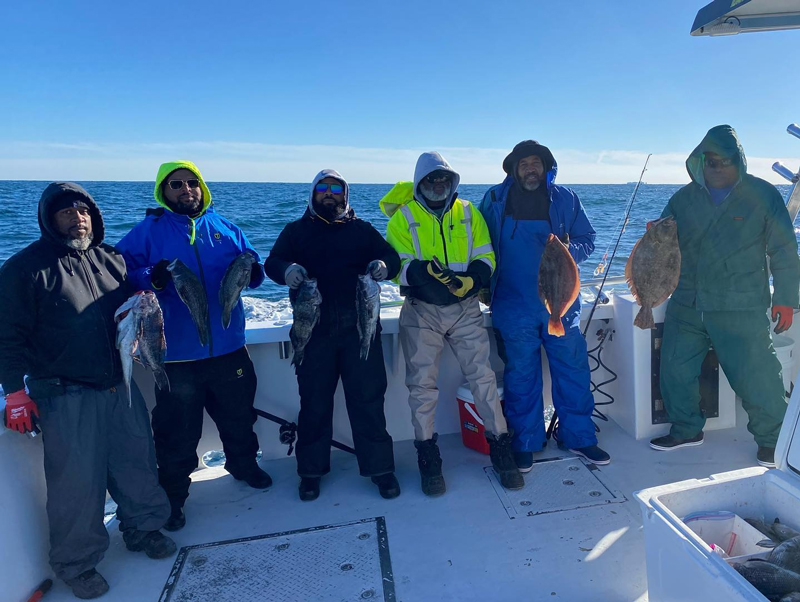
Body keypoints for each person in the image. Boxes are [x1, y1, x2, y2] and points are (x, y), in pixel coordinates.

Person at [0, 182, 175, 600]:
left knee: (137, 461)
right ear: (48, 219)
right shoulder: (25, 269)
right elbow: (7, 335)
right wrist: (13, 392)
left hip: (120, 383)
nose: (77, 217)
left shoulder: (111, 258)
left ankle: (144, 529)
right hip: (64, 392)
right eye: (65, 212)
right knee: (75, 483)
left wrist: (152, 285)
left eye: (83, 211)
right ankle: (77, 563)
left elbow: (136, 301)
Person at [116, 161, 269, 532]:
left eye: (192, 183)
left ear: (202, 187)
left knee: (239, 416)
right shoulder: (147, 232)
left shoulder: (226, 228)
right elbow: (117, 270)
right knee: (176, 430)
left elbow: (255, 270)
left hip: (230, 348)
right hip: (177, 355)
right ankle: (174, 495)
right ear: (162, 192)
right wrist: (147, 277)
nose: (186, 190)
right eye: (176, 185)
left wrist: (254, 270)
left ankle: (243, 464)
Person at [649, 125, 800, 467]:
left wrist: (787, 298)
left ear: (739, 162)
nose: (717, 167)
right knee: (674, 369)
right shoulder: (683, 199)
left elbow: (784, 250)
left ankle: (774, 439)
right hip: (687, 302)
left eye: (725, 160)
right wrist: (652, 236)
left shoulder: (763, 196)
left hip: (740, 304)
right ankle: (687, 428)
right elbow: (661, 244)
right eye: (710, 160)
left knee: (757, 374)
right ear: (699, 161)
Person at [381, 151, 523, 496]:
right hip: (421, 309)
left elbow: (485, 254)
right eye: (431, 180)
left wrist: (472, 280)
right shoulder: (403, 217)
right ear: (419, 183)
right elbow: (393, 263)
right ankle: (428, 457)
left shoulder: (469, 212)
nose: (438, 185)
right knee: (421, 387)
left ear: (452, 182)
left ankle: (501, 449)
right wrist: (418, 271)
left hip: (465, 308)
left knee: (484, 378)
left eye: (443, 179)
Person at [264, 169, 401, 502]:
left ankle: (380, 470)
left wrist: (384, 266)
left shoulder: (362, 230)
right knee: (314, 404)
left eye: (336, 189)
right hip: (314, 334)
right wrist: (287, 271)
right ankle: (310, 472)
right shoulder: (295, 231)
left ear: (345, 195)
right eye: (322, 188)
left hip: (360, 330)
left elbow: (393, 260)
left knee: (368, 401)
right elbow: (272, 263)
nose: (329, 194)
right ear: (313, 194)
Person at [478, 141, 610, 471]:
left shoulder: (566, 198)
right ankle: (525, 441)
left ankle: (579, 437)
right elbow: (478, 243)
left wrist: (568, 253)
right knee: (520, 374)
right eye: (524, 164)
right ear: (513, 168)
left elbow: (588, 239)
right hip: (512, 303)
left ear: (546, 166)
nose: (530, 168)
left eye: (536, 162)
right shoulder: (495, 198)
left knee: (573, 370)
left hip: (561, 303)